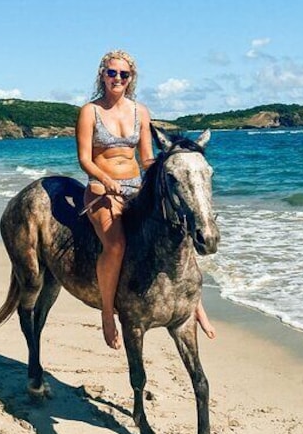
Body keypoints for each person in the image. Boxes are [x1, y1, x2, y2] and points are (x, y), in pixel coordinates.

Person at [76, 49, 216, 350]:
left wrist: (168, 177)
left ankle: (195, 305)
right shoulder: (90, 111)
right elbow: (84, 159)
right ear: (102, 74)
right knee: (116, 245)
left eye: (123, 74)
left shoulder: (141, 111)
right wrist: (105, 179)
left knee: (177, 234)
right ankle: (107, 316)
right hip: (102, 191)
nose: (117, 79)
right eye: (112, 73)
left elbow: (148, 159)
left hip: (136, 189)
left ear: (131, 78)